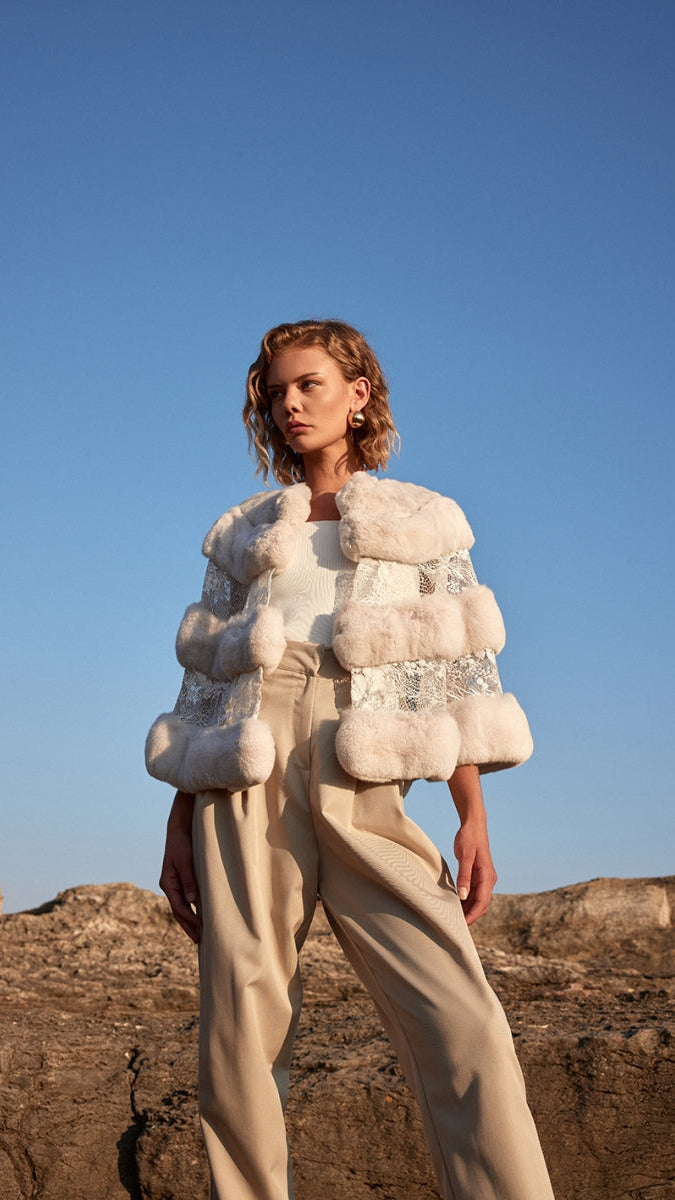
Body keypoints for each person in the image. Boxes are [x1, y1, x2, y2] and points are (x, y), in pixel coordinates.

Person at [146, 319, 555, 1200]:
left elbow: (455, 676)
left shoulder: (424, 519)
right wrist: (180, 822)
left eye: (309, 386)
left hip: (367, 758)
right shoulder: (243, 532)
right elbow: (204, 690)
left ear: (357, 393)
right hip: (249, 769)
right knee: (239, 1034)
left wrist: (471, 812)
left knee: (463, 1022)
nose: (289, 404)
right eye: (276, 392)